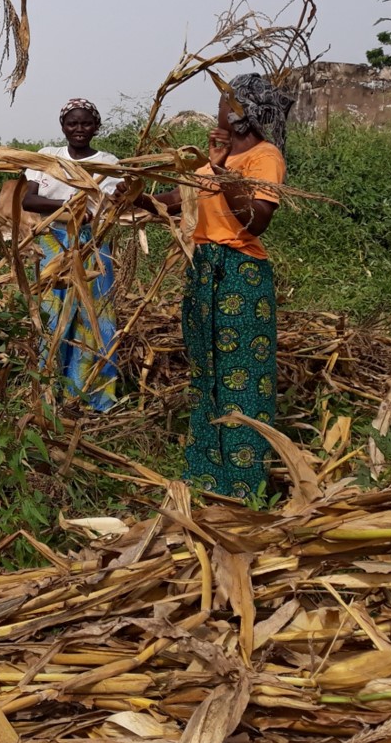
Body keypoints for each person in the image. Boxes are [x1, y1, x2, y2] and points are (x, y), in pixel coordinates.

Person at [150, 73, 292, 500]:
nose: (217, 111)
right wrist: (136, 195)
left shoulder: (264, 157)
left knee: (242, 376)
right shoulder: (213, 159)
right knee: (208, 371)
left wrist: (219, 168)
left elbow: (259, 220)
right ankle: (209, 472)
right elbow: (176, 203)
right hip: (204, 267)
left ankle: (247, 481)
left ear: (241, 114)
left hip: (239, 273)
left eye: (223, 104)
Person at [22, 98, 126, 412]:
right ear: (63, 126)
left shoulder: (108, 162)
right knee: (54, 316)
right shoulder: (48, 157)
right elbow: (30, 201)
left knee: (96, 318)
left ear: (96, 126)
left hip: (94, 243)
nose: (78, 129)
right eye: (72, 123)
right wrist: (72, 209)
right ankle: (48, 394)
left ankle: (92, 397)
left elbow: (114, 205)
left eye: (85, 123)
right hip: (54, 241)